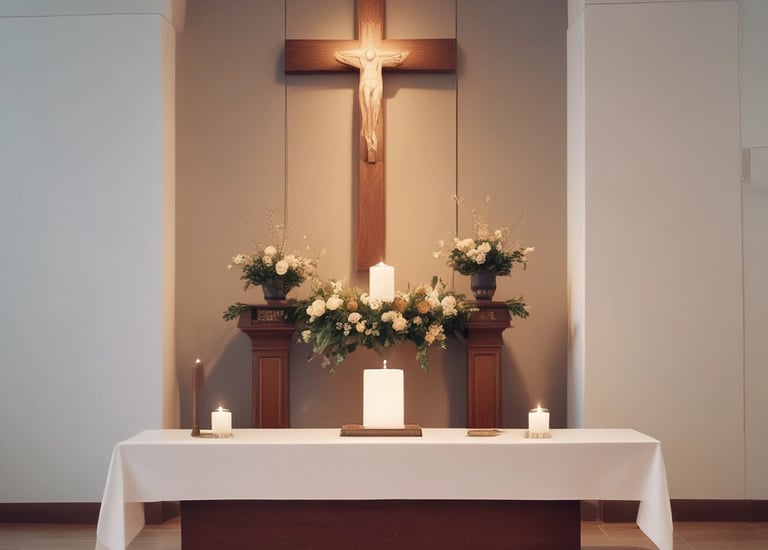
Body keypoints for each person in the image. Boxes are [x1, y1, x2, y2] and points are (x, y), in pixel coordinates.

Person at [335, 37, 409, 163]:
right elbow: (343, 57)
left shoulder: (379, 61)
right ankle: (369, 138)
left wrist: (399, 57)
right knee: (367, 109)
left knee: (375, 110)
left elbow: (394, 59)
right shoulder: (361, 61)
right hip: (366, 86)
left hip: (376, 86)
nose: (370, 53)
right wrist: (340, 55)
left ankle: (373, 136)